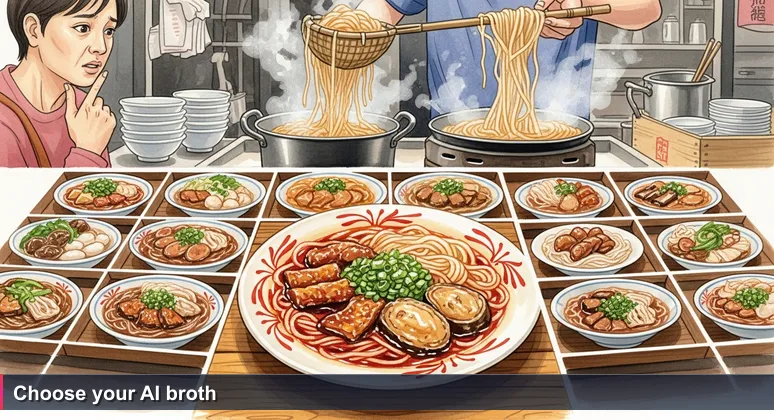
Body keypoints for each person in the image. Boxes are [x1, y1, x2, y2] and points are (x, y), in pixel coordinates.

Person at [358, 0, 662, 118]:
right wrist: (348, 26)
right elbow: (383, 9)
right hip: (454, 135)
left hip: (557, 134)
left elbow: (647, 8)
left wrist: (583, 3)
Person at [0, 0, 128, 168]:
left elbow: (103, 191)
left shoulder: (86, 109)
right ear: (34, 30)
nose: (101, 47)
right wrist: (88, 151)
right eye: (83, 28)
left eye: (109, 31)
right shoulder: (4, 120)